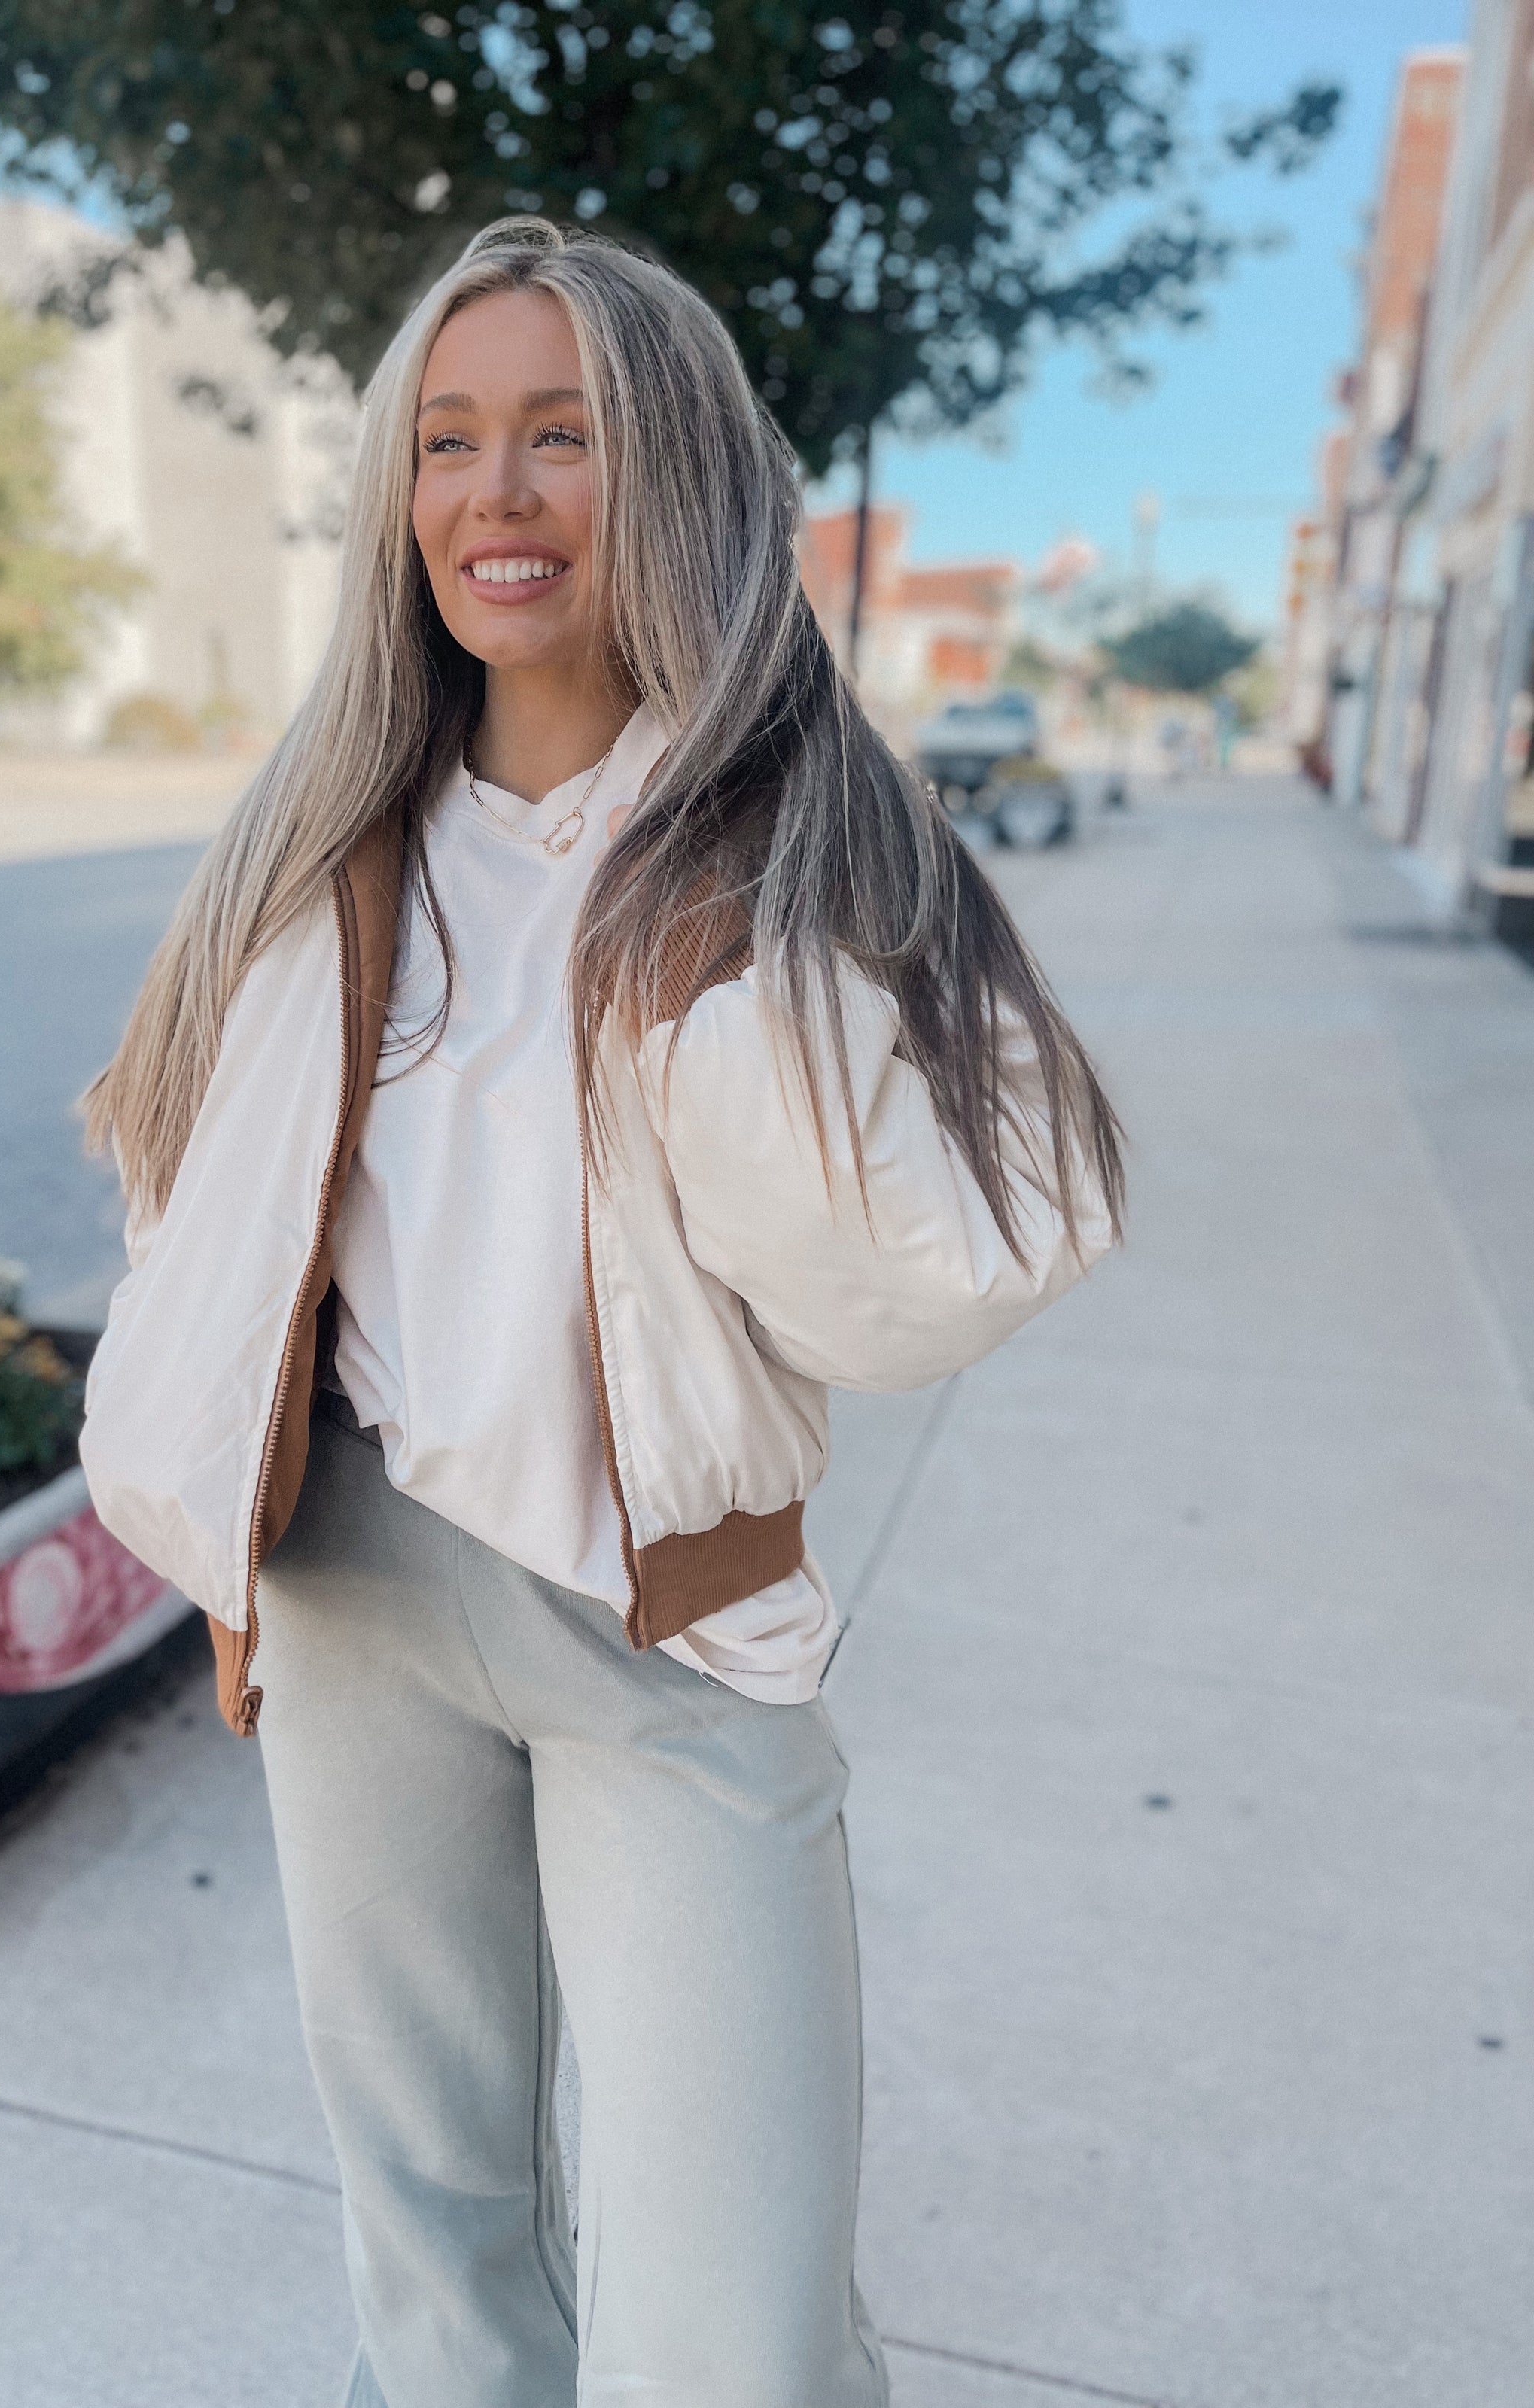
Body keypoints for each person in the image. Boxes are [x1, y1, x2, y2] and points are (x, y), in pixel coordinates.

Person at [79, 217, 1123, 2408]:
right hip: (351, 1589)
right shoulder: (319, 837)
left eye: (564, 435)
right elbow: (194, 1191)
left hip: (666, 1629)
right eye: (449, 440)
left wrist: (701, 995)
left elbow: (958, 1258)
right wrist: (195, 1488)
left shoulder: (812, 835)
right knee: (435, 2252)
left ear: (676, 471)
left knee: (727, 2325)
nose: (500, 493)